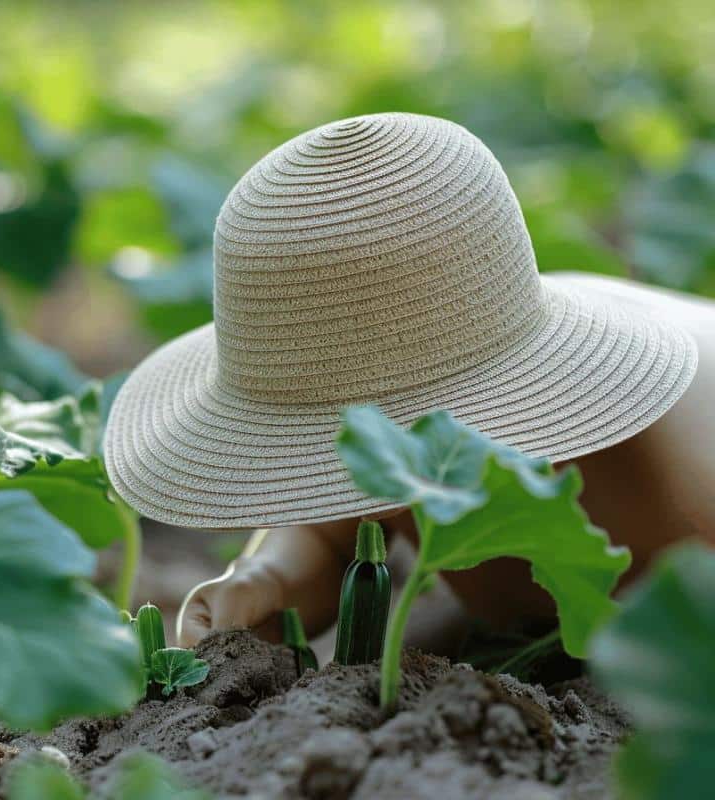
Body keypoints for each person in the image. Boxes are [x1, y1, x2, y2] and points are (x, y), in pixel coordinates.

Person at [99, 112, 710, 652]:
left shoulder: (672, 473)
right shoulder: (384, 463)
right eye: (320, 450)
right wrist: (272, 577)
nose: (345, 474)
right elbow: (332, 523)